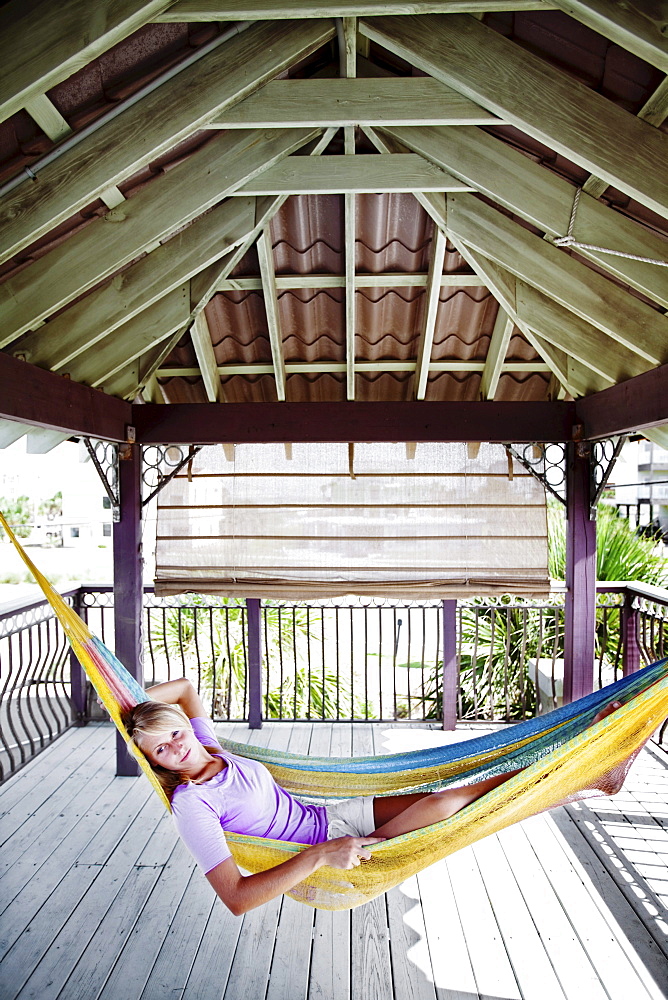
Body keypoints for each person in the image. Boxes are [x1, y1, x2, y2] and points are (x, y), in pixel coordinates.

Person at [122, 677, 620, 916]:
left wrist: (133, 706)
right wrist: (322, 855)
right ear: (154, 763)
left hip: (333, 816)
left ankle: (582, 770)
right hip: (331, 852)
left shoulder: (207, 746)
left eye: (172, 734)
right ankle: (580, 765)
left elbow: (186, 689)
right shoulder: (192, 804)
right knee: (454, 804)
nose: (174, 749)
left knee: (439, 795)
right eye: (159, 752)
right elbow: (235, 898)